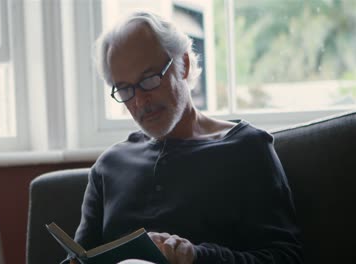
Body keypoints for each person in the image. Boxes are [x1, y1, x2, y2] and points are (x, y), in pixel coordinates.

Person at [65, 11, 302, 264]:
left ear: (184, 65)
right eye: (125, 89)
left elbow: (285, 258)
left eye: (149, 79)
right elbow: (78, 258)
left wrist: (196, 256)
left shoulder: (247, 149)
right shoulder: (109, 165)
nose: (139, 100)